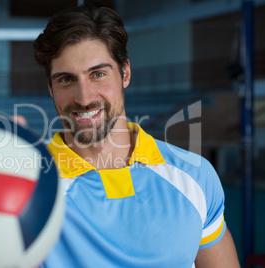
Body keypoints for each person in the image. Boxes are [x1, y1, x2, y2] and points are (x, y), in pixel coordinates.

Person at [33, 4, 240, 268]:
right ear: (51, 88)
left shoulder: (194, 176)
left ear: (125, 73)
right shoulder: (28, 187)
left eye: (97, 74)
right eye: (66, 79)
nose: (84, 98)